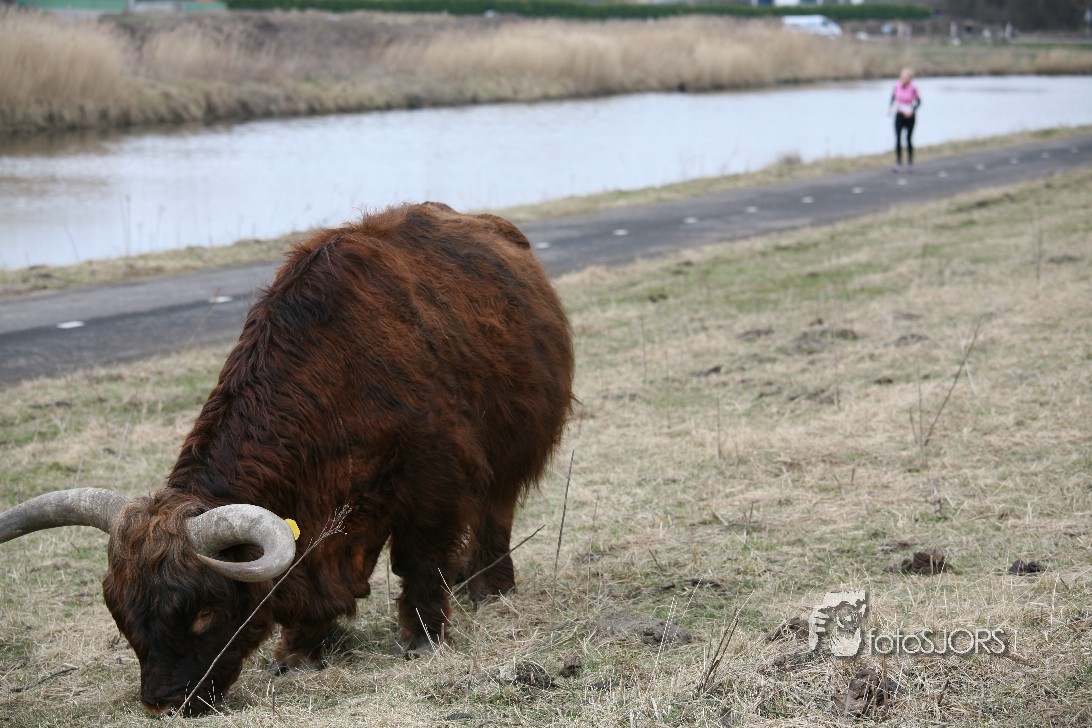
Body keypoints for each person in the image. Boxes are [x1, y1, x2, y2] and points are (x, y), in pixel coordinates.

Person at [888, 68, 922, 172]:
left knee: (908, 139)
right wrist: (890, 108)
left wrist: (912, 110)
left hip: (910, 116)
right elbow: (893, 98)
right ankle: (899, 163)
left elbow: (919, 102)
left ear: (910, 78)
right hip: (899, 114)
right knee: (898, 139)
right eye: (902, 77)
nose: (903, 79)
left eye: (905, 77)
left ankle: (910, 163)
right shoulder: (896, 86)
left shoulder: (913, 88)